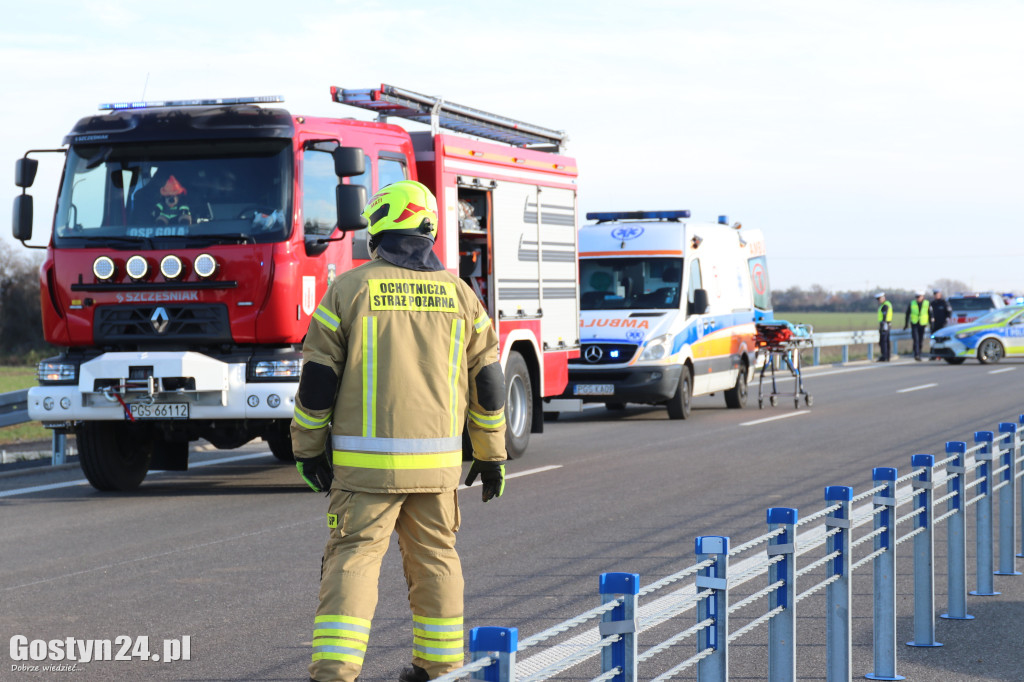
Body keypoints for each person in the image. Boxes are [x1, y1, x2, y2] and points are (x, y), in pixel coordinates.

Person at [290, 180, 508, 682]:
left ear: (379, 230)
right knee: (437, 562)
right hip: (437, 471)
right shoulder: (461, 295)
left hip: (365, 473)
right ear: (429, 230)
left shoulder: (349, 290)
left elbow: (318, 381)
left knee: (353, 561)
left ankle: (335, 673)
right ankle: (441, 669)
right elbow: (489, 383)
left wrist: (307, 449)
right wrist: (491, 455)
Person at [904, 291, 930, 361]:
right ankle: (916, 354)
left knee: (920, 340)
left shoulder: (926, 303)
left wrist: (931, 324)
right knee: (916, 339)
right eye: (917, 297)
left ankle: (919, 352)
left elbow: (930, 314)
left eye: (919, 297)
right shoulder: (912, 303)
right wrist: (906, 324)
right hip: (914, 323)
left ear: (923, 297)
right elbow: (907, 313)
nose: (918, 298)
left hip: (922, 324)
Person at [928, 289, 953, 360]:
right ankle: (933, 354)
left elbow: (949, 312)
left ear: (940, 294)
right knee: (933, 339)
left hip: (942, 324)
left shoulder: (944, 303)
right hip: (934, 325)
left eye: (937, 294)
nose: (936, 296)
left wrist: (947, 320)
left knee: (941, 339)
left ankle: (942, 354)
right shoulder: (932, 304)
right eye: (935, 294)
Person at [876, 292, 893, 361]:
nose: (878, 301)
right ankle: (887, 356)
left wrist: (883, 325)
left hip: (885, 324)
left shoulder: (885, 305)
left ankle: (885, 356)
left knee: (883, 341)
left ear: (883, 298)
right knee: (886, 341)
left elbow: (884, 316)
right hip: (887, 324)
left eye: (879, 299)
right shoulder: (886, 304)